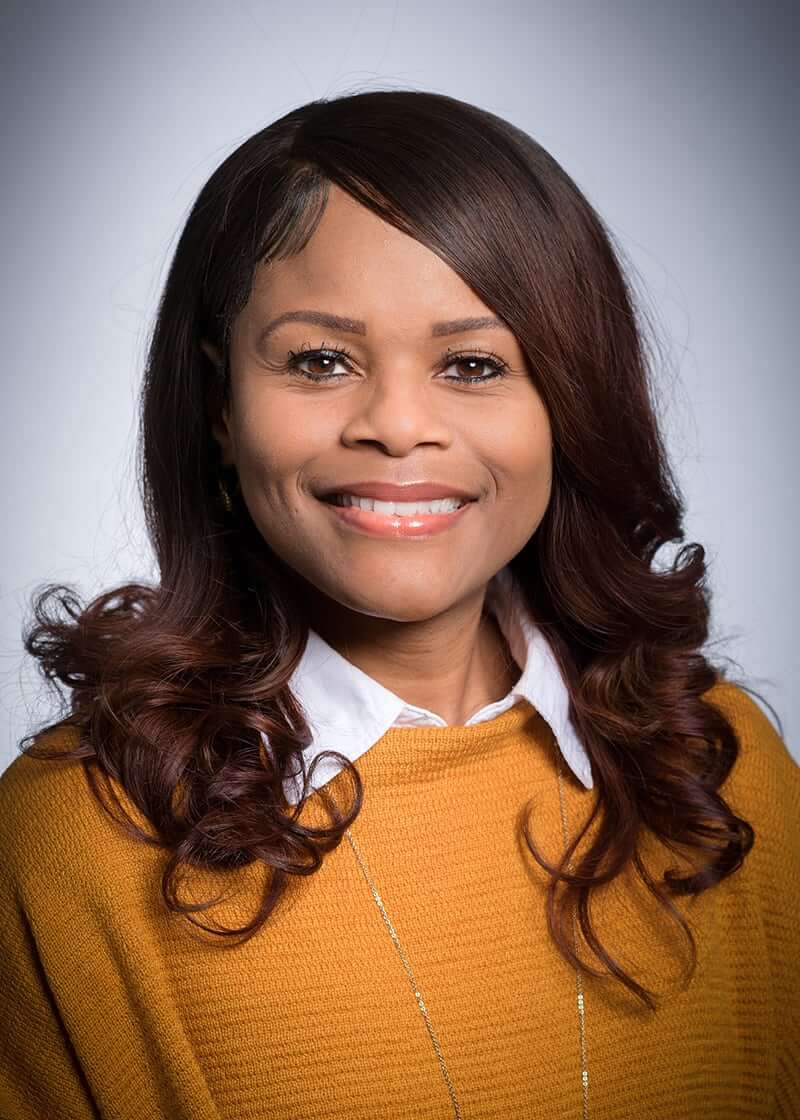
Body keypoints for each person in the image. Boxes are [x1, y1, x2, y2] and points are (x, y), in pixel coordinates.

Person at [0, 88, 797, 1120]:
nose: (398, 423)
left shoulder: (720, 767)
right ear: (221, 408)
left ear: (568, 401)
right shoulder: (71, 839)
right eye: (321, 360)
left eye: (472, 364)